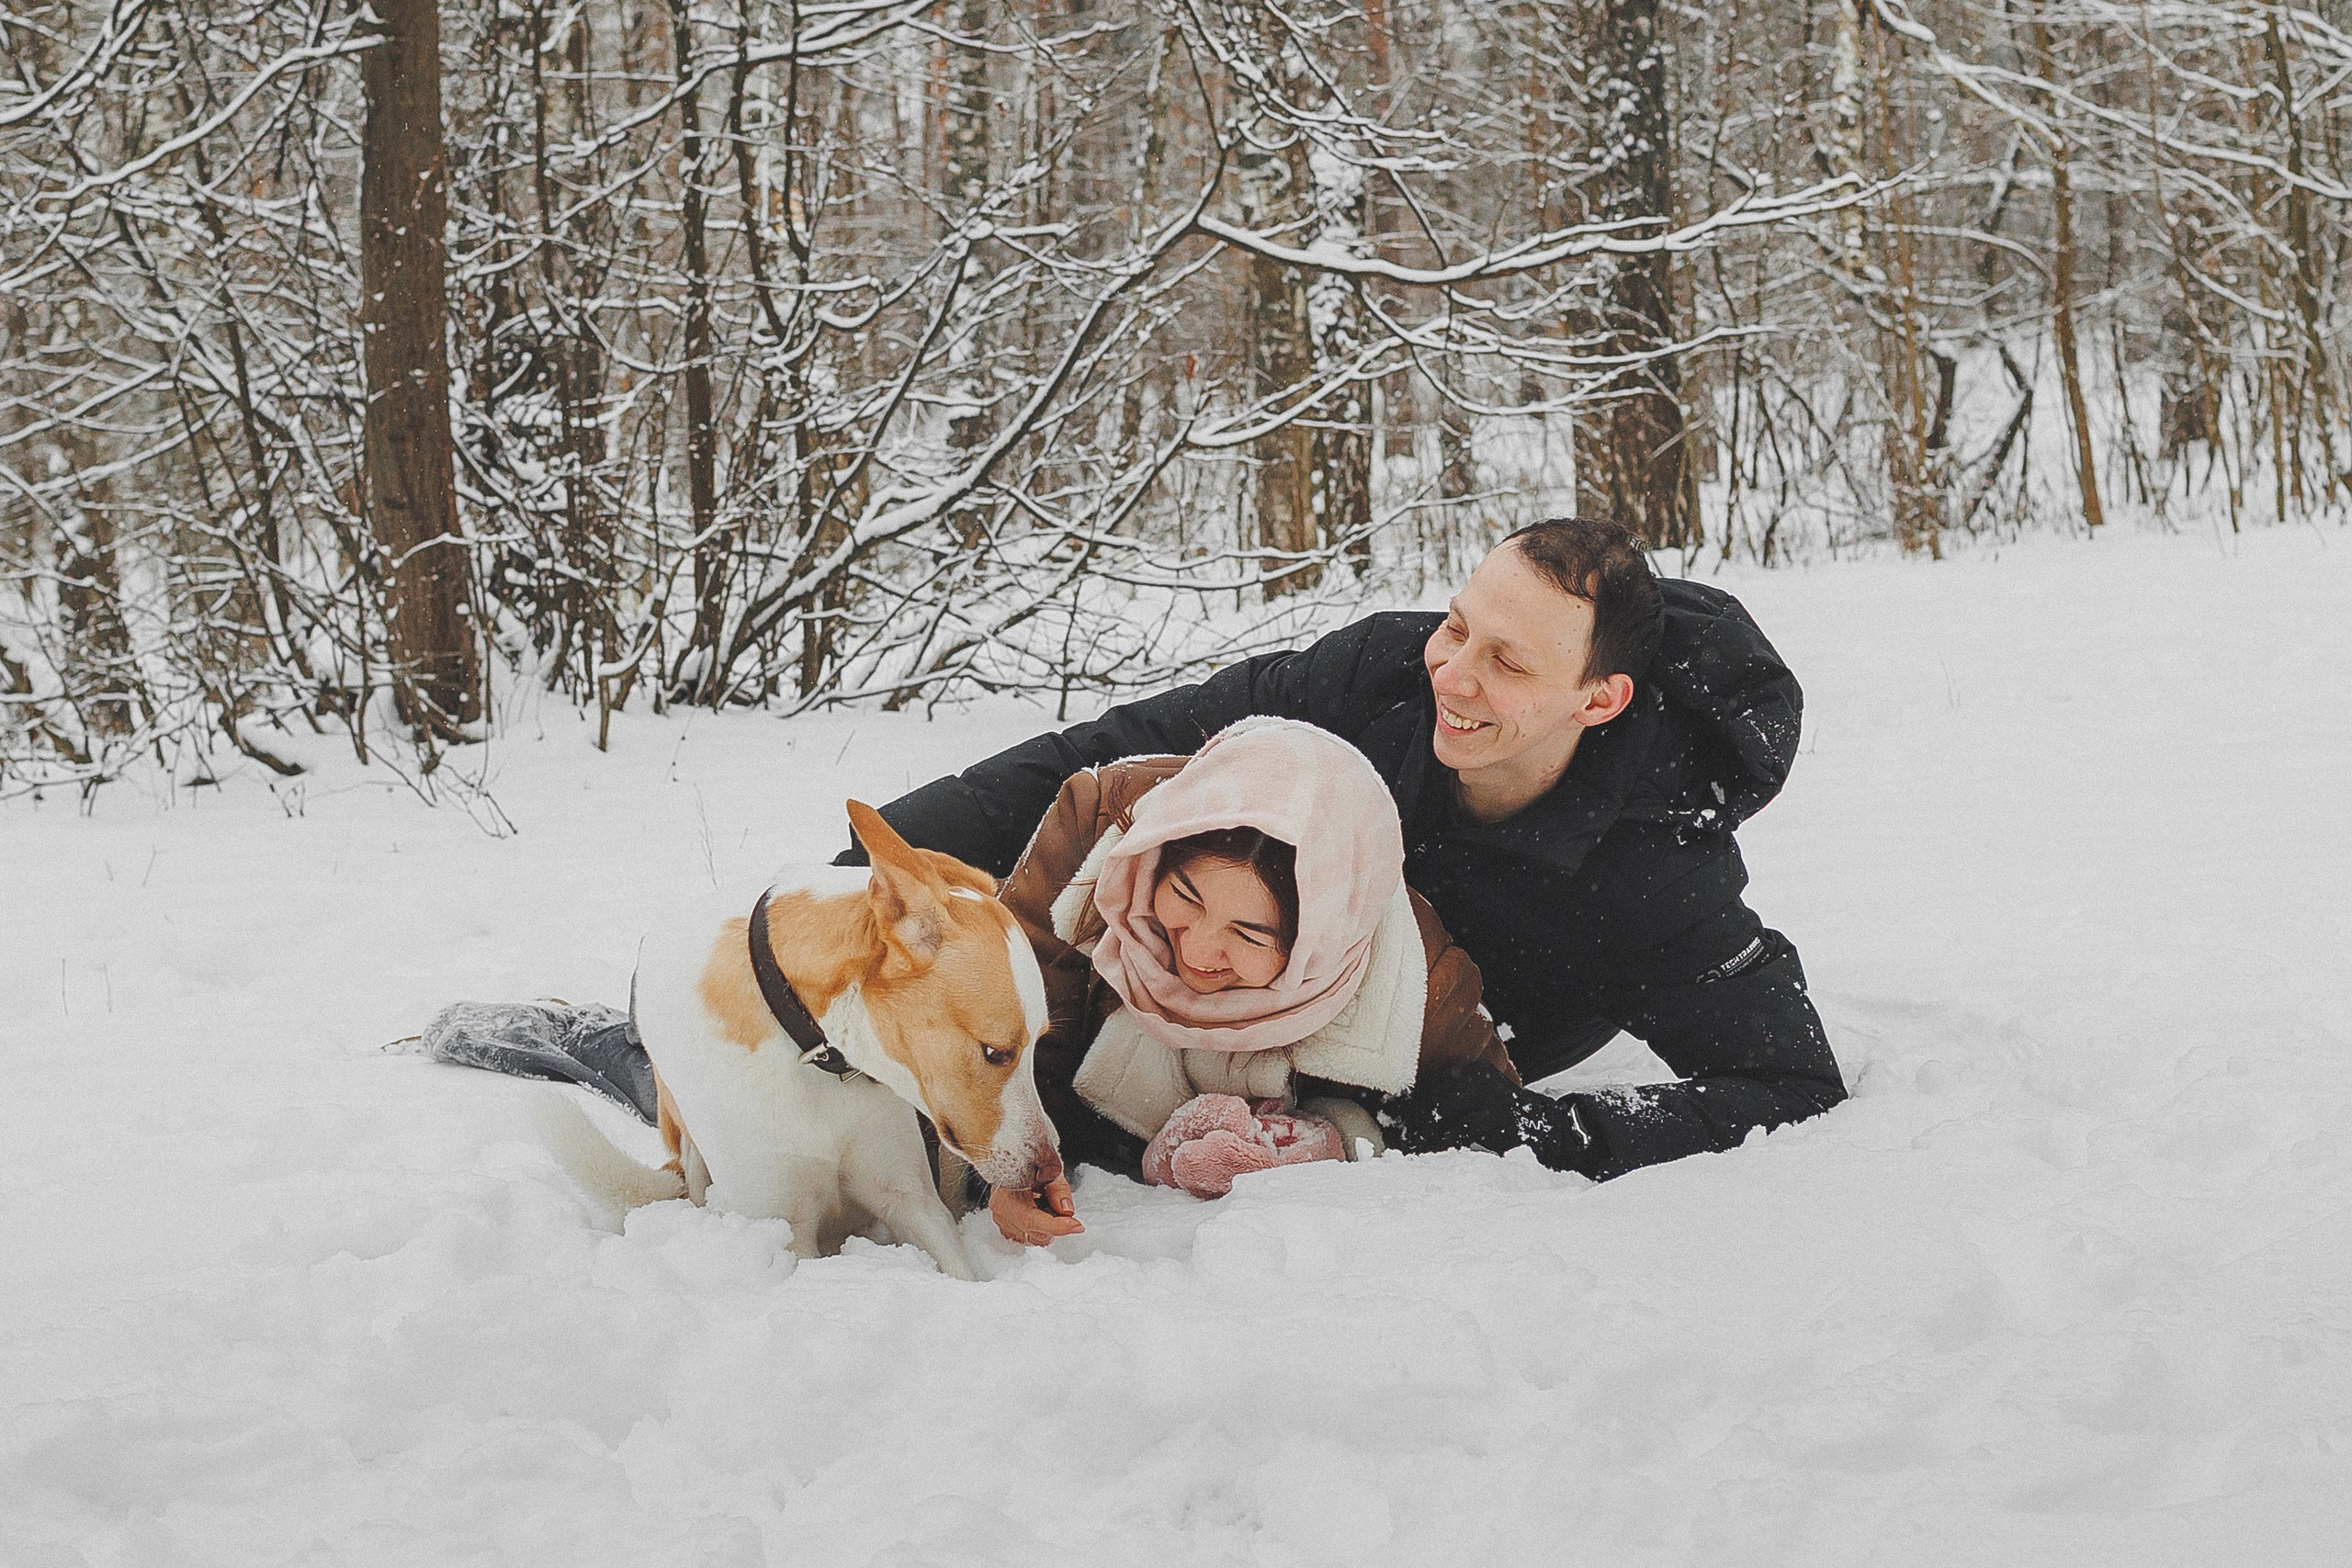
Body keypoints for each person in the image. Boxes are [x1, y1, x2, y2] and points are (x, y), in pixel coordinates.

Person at [842, 516, 1847, 1198]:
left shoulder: (1658, 868)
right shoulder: (1375, 677)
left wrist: (1521, 1128)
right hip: (1242, 952)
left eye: (1506, 662)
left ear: (1598, 700)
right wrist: (860, 872)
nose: (1454, 673)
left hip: (1449, 1038)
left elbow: (1787, 1081)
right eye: (1457, 627)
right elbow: (1112, 752)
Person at [978, 716, 1517, 1247]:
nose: (1198, 949)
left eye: (1250, 935)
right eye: (1186, 897)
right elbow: (994, 1030)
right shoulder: (1098, 831)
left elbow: (1483, 1120)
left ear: (1317, 941)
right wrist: (1014, 1167)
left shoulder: (1415, 981)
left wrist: (1335, 1136)